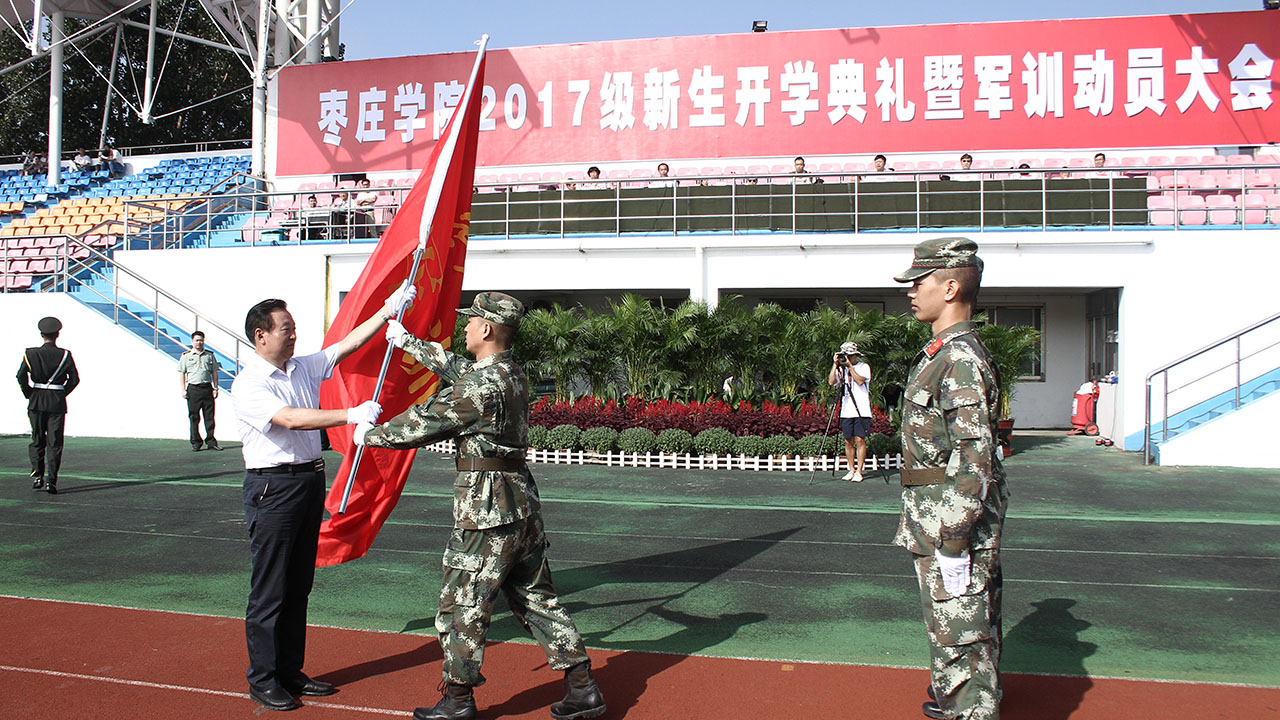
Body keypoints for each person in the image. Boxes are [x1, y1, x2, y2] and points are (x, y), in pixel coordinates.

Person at [354, 292, 606, 720]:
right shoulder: (510, 374)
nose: (465, 327)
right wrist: (407, 342)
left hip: (487, 509)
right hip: (521, 504)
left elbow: (423, 423)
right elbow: (461, 371)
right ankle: (583, 687)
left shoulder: (479, 386)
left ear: (487, 329)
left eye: (471, 322)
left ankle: (457, 701)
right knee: (536, 598)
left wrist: (367, 433)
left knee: (462, 604)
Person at [230, 284, 415, 712]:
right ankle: (263, 677)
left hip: (307, 483)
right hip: (272, 488)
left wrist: (389, 310)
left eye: (293, 328)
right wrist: (349, 415)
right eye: (285, 329)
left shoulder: (301, 367)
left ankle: (291, 670)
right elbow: (290, 420)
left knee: (298, 586)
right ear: (260, 336)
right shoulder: (250, 383)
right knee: (270, 588)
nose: (293, 335)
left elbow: (346, 346)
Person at [892, 237, 1008, 720]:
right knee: (957, 617)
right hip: (935, 509)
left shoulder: (959, 358)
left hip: (949, 516)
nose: (911, 291)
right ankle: (957, 696)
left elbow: (975, 451)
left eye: (920, 282)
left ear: (952, 286)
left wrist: (956, 534)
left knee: (961, 620)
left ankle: (969, 709)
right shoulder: (944, 351)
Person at [16, 317, 80, 494]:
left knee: (37, 439)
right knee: (55, 442)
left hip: (36, 400)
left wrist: (29, 393)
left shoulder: (30, 353)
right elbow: (74, 380)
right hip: (56, 403)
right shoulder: (65, 355)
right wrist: (60, 394)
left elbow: (20, 376)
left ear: (41, 334)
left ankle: (37, 475)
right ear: (57, 334)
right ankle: (51, 481)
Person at [827, 341, 871, 482]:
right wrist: (835, 365)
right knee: (848, 441)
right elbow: (831, 382)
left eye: (850, 355)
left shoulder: (863, 367)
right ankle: (851, 469)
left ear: (855, 355)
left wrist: (850, 367)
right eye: (845, 355)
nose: (847, 358)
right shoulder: (841, 369)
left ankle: (859, 471)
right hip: (847, 409)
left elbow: (859, 381)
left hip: (862, 409)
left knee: (860, 439)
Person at [179, 330, 222, 451]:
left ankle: (211, 442)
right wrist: (183, 390)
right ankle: (196, 443)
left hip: (207, 388)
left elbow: (214, 372)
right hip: (193, 389)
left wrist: (216, 388)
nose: (199, 342)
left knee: (209, 416)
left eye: (201, 340)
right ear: (192, 342)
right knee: (194, 417)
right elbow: (182, 373)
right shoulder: (186, 356)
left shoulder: (209, 355)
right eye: (197, 340)